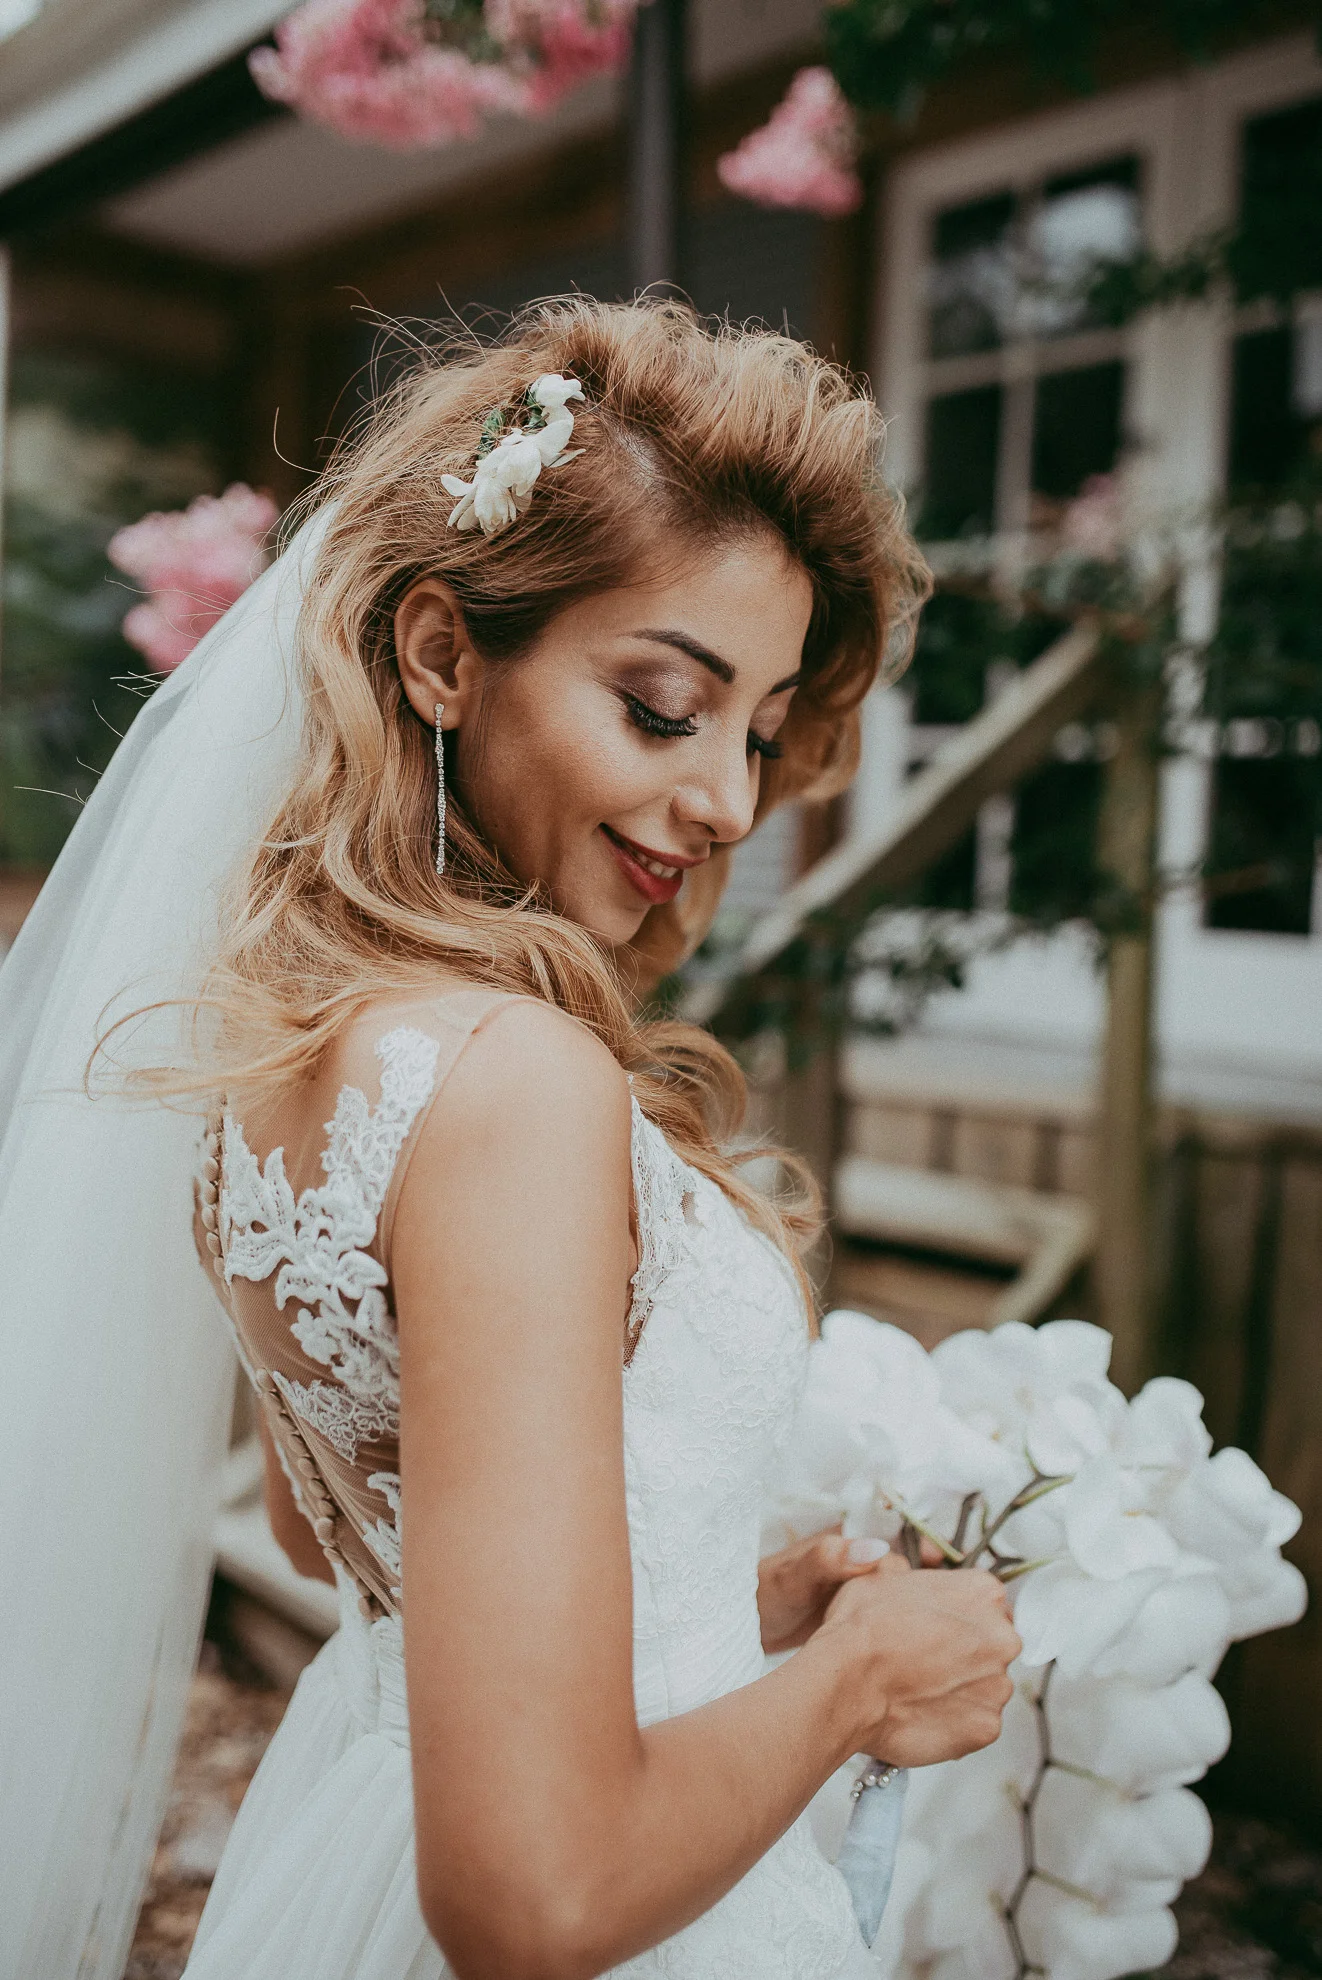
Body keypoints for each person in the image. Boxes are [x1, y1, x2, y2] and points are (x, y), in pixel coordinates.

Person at [0, 298, 1019, 1980]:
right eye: (664, 705)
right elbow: (532, 1899)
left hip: (353, 1848)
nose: (728, 805)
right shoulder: (516, 1083)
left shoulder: (296, 1054)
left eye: (758, 731)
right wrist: (859, 1681)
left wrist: (720, 1624)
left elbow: (367, 1543)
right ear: (440, 654)